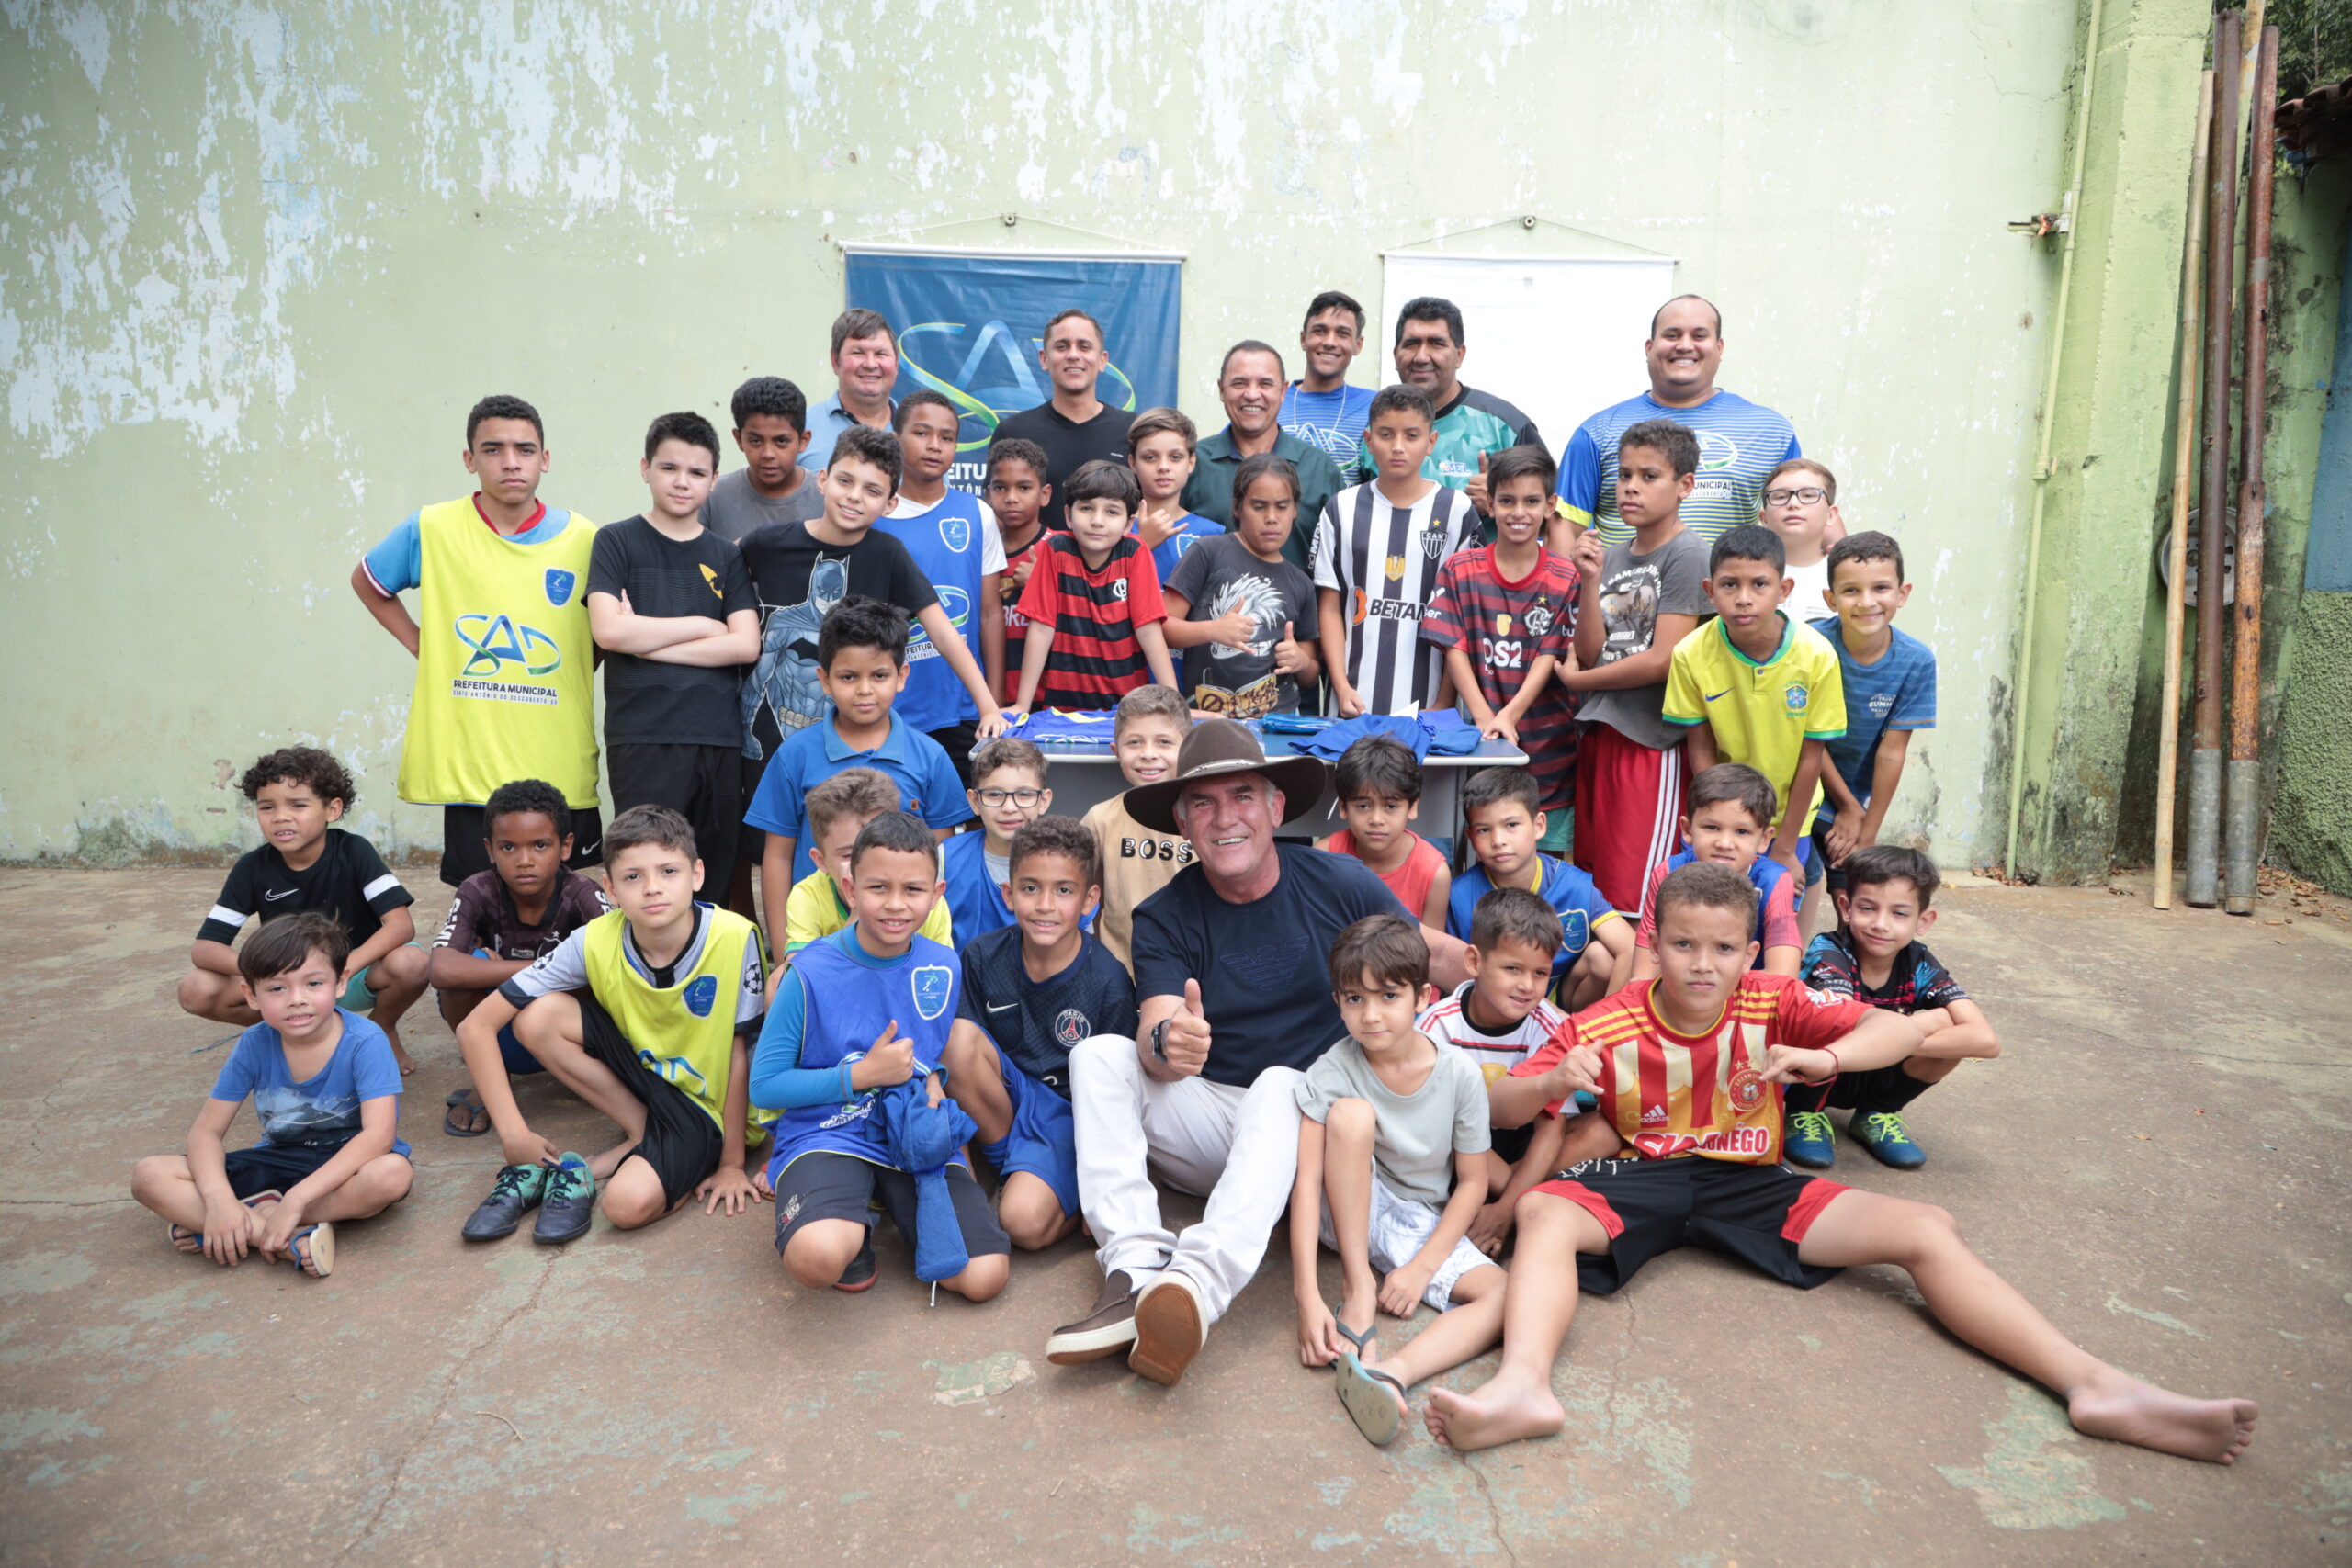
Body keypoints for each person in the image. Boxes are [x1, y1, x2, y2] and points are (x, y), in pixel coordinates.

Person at [1430, 863, 2259, 1472]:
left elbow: (1901, 1031)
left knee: (1926, 1226)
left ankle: (2092, 1384)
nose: (1702, 963)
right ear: (1656, 943)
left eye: (1724, 947)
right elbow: (1502, 1110)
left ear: (1751, 949)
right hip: (1642, 1175)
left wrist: (1827, 1060)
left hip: (1750, 1180)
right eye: (1682, 944)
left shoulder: (1773, 998)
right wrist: (1549, 1082)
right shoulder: (1605, 1020)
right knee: (1543, 1210)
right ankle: (1524, 1386)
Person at [1044, 721, 1466, 1386]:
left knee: (1280, 1083)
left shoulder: (1339, 881)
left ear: (1275, 807)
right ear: (1182, 822)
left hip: (1314, 1137)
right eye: (1203, 803)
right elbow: (1154, 1032)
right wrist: (1169, 1041)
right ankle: (1134, 1270)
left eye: (1242, 796)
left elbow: (1429, 953)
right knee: (1097, 1054)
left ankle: (1195, 1285)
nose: (1224, 818)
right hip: (1215, 1125)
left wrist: (1516, 979)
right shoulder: (1164, 913)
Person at [453, 806, 769, 1246]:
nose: (652, 887)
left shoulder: (735, 935)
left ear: (696, 874)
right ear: (611, 888)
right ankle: (640, 1132)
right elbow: (475, 1027)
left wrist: (732, 1164)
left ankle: (657, 1158)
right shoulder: (594, 938)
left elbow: (740, 1052)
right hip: (644, 1077)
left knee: (624, 1206)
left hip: (705, 1107)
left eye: (668, 871)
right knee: (538, 1016)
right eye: (633, 876)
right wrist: (514, 1134)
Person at [752, 811, 1012, 1298]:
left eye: (913, 890)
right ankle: (853, 1222)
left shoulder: (943, 965)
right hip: (829, 1131)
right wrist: (861, 1075)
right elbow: (764, 1086)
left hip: (907, 1129)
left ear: (936, 895)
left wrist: (933, 1082)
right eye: (878, 888)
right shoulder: (807, 973)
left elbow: (931, 1050)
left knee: (984, 1277)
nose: (895, 904)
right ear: (850, 890)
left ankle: (884, 1196)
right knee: (817, 1258)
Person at [351, 394, 602, 888]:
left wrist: (572, 666)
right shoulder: (432, 527)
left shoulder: (585, 537)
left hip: (557, 751)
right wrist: (422, 646)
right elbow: (368, 581)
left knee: (569, 896)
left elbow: (603, 631)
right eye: (493, 449)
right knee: (480, 896)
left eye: (525, 449)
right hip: (471, 759)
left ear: (545, 459)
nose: (511, 462)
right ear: (470, 459)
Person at [1290, 916, 1507, 1448]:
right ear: (1338, 1002)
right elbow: (1306, 1181)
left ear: (1422, 997)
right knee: (1351, 1116)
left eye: (1388, 996)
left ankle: (1391, 1373)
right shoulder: (1332, 1069)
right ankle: (1358, 1286)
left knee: (1504, 1295)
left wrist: (1421, 1269)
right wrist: (1307, 1296)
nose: (1371, 1015)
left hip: (1413, 1219)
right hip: (1345, 1207)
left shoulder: (1458, 1074)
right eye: (1354, 999)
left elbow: (1473, 1183)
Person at [133, 912, 414, 1280]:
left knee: (392, 1175)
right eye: (277, 989)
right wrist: (218, 1201)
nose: (297, 999)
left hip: (346, 1168)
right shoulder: (254, 1043)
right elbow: (206, 1132)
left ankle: (251, 1219)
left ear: (341, 982)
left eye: (313, 983)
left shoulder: (366, 1041)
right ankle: (282, 1239)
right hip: (277, 1160)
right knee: (149, 1175)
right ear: (251, 995)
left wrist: (296, 1200)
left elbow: (379, 1136)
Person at [740, 424, 1004, 770]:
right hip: (768, 744)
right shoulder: (768, 544)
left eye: (872, 490)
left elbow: (943, 632)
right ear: (823, 480)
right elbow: (716, 573)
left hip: (854, 747)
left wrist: (988, 707)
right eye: (845, 481)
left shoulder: (888, 554)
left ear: (889, 504)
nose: (854, 496)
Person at [943, 815, 1135, 1250]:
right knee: (956, 1039)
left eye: (1063, 890)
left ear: (1089, 900)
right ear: (1009, 894)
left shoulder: (1109, 981)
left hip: (1066, 1116)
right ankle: (1005, 1162)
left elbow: (1119, 1097)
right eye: (1030, 888)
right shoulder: (982, 956)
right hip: (1008, 1100)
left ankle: (1062, 1192)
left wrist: (1102, 1184)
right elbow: (964, 1056)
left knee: (1022, 1225)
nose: (1045, 904)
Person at [587, 412, 761, 891]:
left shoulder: (726, 555)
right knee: (648, 870)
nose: (682, 482)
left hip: (717, 737)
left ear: (714, 479)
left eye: (697, 472)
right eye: (669, 468)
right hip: (642, 734)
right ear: (646, 468)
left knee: (712, 875)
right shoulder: (616, 541)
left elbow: (745, 644)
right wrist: (703, 626)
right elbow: (609, 632)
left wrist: (647, 641)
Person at [178, 748, 427, 1073]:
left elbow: (400, 925)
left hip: (351, 974)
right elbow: (204, 948)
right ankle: (297, 1035)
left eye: (297, 805)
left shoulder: (354, 851)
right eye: (267, 806)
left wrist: (344, 967)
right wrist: (273, 971)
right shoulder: (251, 868)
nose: (280, 817)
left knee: (412, 962)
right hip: (286, 984)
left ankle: (379, 1032)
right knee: (195, 989)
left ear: (332, 809)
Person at [1558, 418, 1710, 912]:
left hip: (1651, 742)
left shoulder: (1688, 554)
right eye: (1624, 475)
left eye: (1649, 476)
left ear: (1685, 485)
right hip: (1601, 734)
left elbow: (1665, 659)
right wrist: (1589, 580)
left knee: (1640, 894)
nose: (1631, 487)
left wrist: (1580, 680)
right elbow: (1591, 650)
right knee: (1598, 887)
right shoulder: (1614, 555)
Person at [1419, 886, 1616, 1256]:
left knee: (1604, 1132)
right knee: (1436, 1130)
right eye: (1512, 969)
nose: (1526, 986)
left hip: (1522, 1140)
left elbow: (1550, 1130)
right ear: (1474, 961)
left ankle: (1501, 1205)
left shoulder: (1550, 1026)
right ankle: (1525, 1195)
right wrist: (1513, 1196)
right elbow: (1434, 1122)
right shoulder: (1438, 1025)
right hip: (1459, 1143)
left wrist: (1504, 1210)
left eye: (1540, 973)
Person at [1664, 523, 1846, 916]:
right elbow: (1700, 748)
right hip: (1723, 815)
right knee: (1712, 910)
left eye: (1759, 584)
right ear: (1709, 591)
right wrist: (1717, 824)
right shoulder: (1690, 654)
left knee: (1776, 910)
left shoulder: (1816, 655)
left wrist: (1785, 845)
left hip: (1789, 816)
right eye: (1729, 585)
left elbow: (1811, 757)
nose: (1744, 598)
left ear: (1784, 589)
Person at [1785, 847, 1999, 1170]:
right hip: (1820, 1068)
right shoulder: (1829, 950)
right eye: (1867, 908)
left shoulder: (1919, 962)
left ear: (1923, 921)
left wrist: (1899, 1042)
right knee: (1827, 1025)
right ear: (1846, 908)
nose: (1880, 924)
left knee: (1950, 1035)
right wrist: (1914, 1029)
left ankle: (1877, 1114)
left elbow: (1985, 1041)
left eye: (1899, 913)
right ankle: (1803, 1114)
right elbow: (1842, 1027)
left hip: (1874, 1065)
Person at [747, 597, 973, 898]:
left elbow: (940, 858)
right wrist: (782, 930)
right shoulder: (794, 756)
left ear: (901, 676)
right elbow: (778, 857)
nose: (864, 689)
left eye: (879, 676)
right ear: (825, 680)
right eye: (848, 677)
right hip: (816, 925)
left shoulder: (931, 757)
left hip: (903, 922)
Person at [430, 779, 612, 1137]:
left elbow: (615, 967)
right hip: (500, 1029)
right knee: (465, 970)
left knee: (599, 973)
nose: (524, 861)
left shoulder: (583, 894)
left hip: (566, 1032)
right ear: (490, 850)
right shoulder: (477, 890)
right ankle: (489, 1078)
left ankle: (591, 1071)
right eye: (509, 847)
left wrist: (501, 971)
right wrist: (548, 969)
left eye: (540, 845)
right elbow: (442, 968)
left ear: (565, 846)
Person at [1550, 295, 1801, 550]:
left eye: (1699, 336)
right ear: (1649, 348)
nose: (1684, 345)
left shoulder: (1772, 431)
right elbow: (1563, 529)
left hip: (1732, 578)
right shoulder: (1598, 432)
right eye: (1672, 335)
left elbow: (1800, 525)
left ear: (1719, 347)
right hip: (1621, 577)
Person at [1420, 445, 1581, 839]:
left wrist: (1509, 715)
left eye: (1531, 501)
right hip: (1478, 747)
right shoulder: (1460, 569)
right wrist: (1482, 716)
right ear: (1490, 504)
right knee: (1481, 845)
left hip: (1550, 752)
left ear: (1550, 506)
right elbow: (1454, 646)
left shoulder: (1566, 577)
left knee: (1543, 854)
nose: (1519, 512)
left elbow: (1549, 654)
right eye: (1507, 501)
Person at [1313, 384, 1481, 717]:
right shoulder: (1341, 508)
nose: (1398, 447)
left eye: (1412, 436)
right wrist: (1341, 686)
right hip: (1353, 704)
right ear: (1368, 439)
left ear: (1431, 441)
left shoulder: (1457, 511)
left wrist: (1444, 702)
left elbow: (1464, 617)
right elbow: (1330, 606)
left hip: (1430, 707)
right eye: (1386, 435)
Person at [880, 389, 1008, 787]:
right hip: (894, 706)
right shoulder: (874, 515)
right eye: (922, 433)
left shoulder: (977, 513)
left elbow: (990, 612)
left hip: (964, 706)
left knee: (974, 809)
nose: (935, 445)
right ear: (896, 438)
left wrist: (993, 699)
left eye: (947, 437)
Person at [1807, 531, 1937, 895]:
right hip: (1802, 786)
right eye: (1851, 590)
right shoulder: (1811, 645)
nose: (1867, 602)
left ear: (1902, 593)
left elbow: (1892, 752)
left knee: (1852, 889)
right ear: (1831, 599)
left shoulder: (1916, 661)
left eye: (1880, 588)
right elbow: (1807, 739)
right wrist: (1847, 808)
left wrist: (1867, 832)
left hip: (1856, 799)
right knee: (1802, 881)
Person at [1447, 766, 1627, 1011]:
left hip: (1560, 998)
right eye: (1484, 830)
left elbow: (1629, 948)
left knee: (1602, 958)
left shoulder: (1574, 885)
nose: (1498, 841)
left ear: (1539, 825)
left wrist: (1607, 1019)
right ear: (1471, 837)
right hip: (1494, 1002)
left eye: (1511, 825)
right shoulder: (1459, 895)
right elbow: (1456, 973)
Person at [1008, 459, 1180, 714]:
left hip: (1129, 709)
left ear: (1128, 524)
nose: (1097, 521)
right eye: (1087, 508)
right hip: (1064, 708)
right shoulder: (1056, 550)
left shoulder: (1135, 552)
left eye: (1112, 512)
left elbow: (1149, 631)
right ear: (1068, 516)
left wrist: (1174, 702)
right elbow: (1042, 628)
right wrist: (1022, 704)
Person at [1161, 453, 1318, 719]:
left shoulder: (1301, 583)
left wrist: (1300, 661)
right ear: (1237, 507)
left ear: (1295, 509)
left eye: (1282, 506)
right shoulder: (1207, 552)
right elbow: (1163, 626)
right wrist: (1213, 629)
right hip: (1208, 719)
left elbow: (1311, 674)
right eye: (1259, 506)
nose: (1271, 517)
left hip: (1276, 722)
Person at [1624, 762, 1804, 987]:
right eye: (1711, 827)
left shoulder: (1774, 882)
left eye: (1742, 832)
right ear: (1687, 830)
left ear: (1764, 839)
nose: (1724, 843)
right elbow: (1644, 972)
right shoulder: (1668, 873)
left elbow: (1783, 977)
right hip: (1680, 991)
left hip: (1749, 996)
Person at [1366, 297, 1541, 523]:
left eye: (1436, 344)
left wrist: (1501, 500)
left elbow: (1553, 516)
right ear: (1395, 355)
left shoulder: (1506, 427)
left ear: (1459, 355)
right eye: (1411, 344)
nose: (1421, 357)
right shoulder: (1376, 428)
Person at [1180, 341, 1344, 575]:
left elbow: (1338, 564)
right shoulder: (1191, 464)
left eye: (1265, 384)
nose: (1252, 394)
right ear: (1221, 389)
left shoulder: (1320, 469)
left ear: (1283, 391)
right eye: (1239, 383)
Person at [775, 768, 953, 960]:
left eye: (878, 851)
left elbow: (940, 968)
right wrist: (857, 915)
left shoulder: (923, 898)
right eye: (849, 854)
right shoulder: (808, 896)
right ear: (821, 860)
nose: (863, 865)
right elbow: (799, 969)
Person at [1079, 684, 1194, 974]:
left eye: (1164, 742)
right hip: (1119, 972)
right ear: (1116, 751)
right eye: (1134, 743)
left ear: (1188, 748)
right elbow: (1087, 891)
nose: (1148, 754)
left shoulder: (1204, 818)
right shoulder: (1100, 819)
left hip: (1192, 969)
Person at [989, 308, 1135, 534]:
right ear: (1044, 359)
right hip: (1033, 558)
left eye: (1084, 346)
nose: (1073, 355)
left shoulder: (1133, 431)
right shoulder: (1012, 431)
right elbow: (995, 517)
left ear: (1102, 360)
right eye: (1062, 346)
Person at [1316, 735, 1450, 928]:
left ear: (1412, 807)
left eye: (1391, 806)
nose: (1376, 819)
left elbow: (1433, 944)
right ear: (1343, 808)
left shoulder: (1433, 873)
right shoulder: (1325, 858)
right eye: (1363, 806)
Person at [940, 737, 1057, 946]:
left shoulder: (1064, 862)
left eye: (1024, 794)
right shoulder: (946, 859)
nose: (1009, 808)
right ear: (974, 802)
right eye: (994, 794)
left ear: (1043, 800)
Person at [703, 376, 821, 543]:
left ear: (803, 440)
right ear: (739, 439)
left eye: (781, 441)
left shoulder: (827, 498)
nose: (768, 454)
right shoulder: (712, 496)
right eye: (756, 441)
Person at [1278, 290, 1378, 482]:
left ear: (1358, 345)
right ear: (1303, 339)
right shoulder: (1272, 401)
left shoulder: (1376, 407)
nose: (1330, 342)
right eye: (1320, 331)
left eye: (1342, 334)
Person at [985, 438, 1054, 706]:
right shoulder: (980, 554)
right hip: (995, 702)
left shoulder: (1060, 549)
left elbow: (1083, 621)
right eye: (1000, 487)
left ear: (1045, 494)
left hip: (1053, 700)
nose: (1011, 497)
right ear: (988, 494)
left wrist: (1040, 584)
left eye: (1024, 487)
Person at [1127, 406, 1221, 582]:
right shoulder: (1114, 527)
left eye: (1175, 457)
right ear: (1133, 463)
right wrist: (1142, 543)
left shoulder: (1212, 534)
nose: (1163, 467)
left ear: (1191, 462)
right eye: (1150, 457)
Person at [800, 309, 899, 472]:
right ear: (835, 361)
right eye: (858, 353)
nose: (870, 364)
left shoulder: (919, 433)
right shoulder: (801, 428)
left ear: (896, 363)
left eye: (881, 354)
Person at [1761, 457, 1840, 614]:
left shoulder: (1846, 573)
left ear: (1831, 515)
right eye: (1780, 496)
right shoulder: (1744, 572)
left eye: (1808, 495)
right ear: (1764, 519)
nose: (1793, 504)